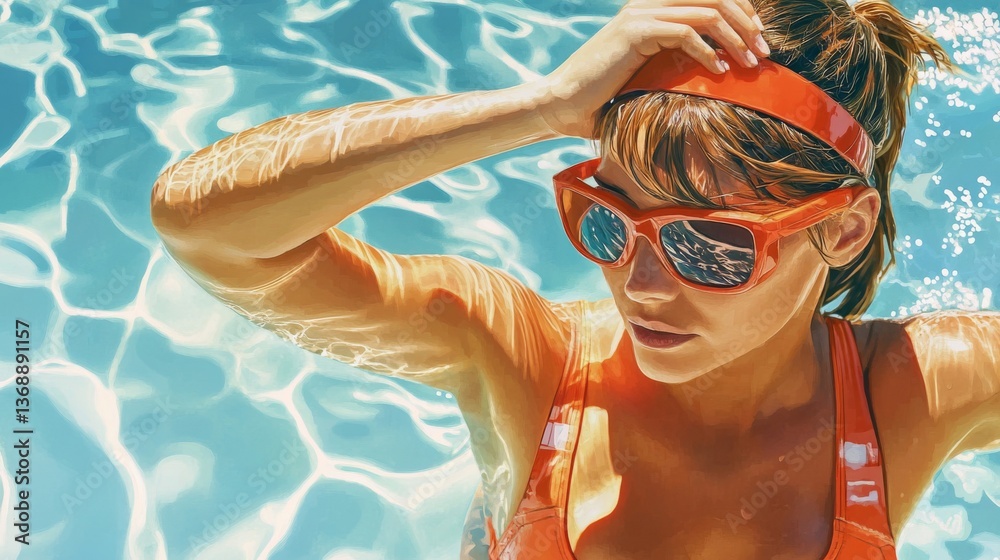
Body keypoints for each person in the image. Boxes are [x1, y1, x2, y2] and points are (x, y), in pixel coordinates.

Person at [149, 0, 1000, 557]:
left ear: (843, 230)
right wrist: (543, 105)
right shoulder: (527, 361)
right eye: (609, 220)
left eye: (710, 246)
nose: (643, 284)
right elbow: (206, 227)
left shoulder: (911, 394)